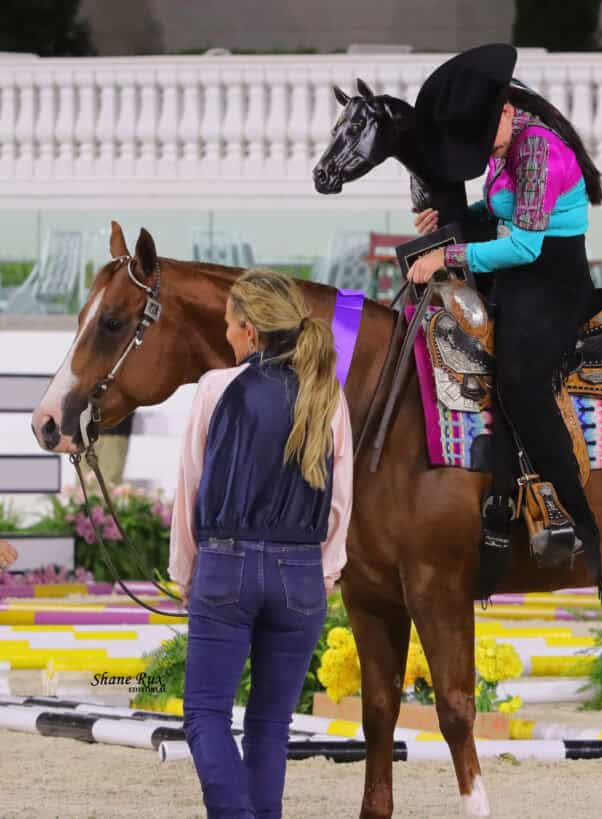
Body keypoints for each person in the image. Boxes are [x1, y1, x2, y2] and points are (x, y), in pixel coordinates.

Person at [406, 43, 602, 588]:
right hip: (520, 276)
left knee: (519, 382)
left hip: (553, 281)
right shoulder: (503, 143)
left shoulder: (538, 149)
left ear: (505, 110)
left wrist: (446, 256)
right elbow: (501, 209)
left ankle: (574, 511)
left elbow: (523, 245)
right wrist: (449, 220)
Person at [168, 269, 353, 819]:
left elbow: (191, 489)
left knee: (204, 715)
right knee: (270, 725)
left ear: (249, 330)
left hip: (227, 565)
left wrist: (186, 573)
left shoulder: (216, 389)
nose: (226, 336)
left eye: (229, 325)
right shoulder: (327, 394)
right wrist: (325, 570)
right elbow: (341, 498)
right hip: (301, 574)